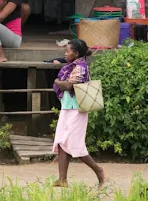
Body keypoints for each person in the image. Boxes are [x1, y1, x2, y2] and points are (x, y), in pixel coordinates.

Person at [52, 39, 105, 188]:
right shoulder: (73, 65)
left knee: (75, 144)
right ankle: (62, 179)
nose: (65, 53)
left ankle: (98, 170)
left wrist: (56, 81)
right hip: (68, 107)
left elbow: (68, 85)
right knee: (62, 142)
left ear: (76, 53)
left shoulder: (81, 67)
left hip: (77, 109)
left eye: (68, 51)